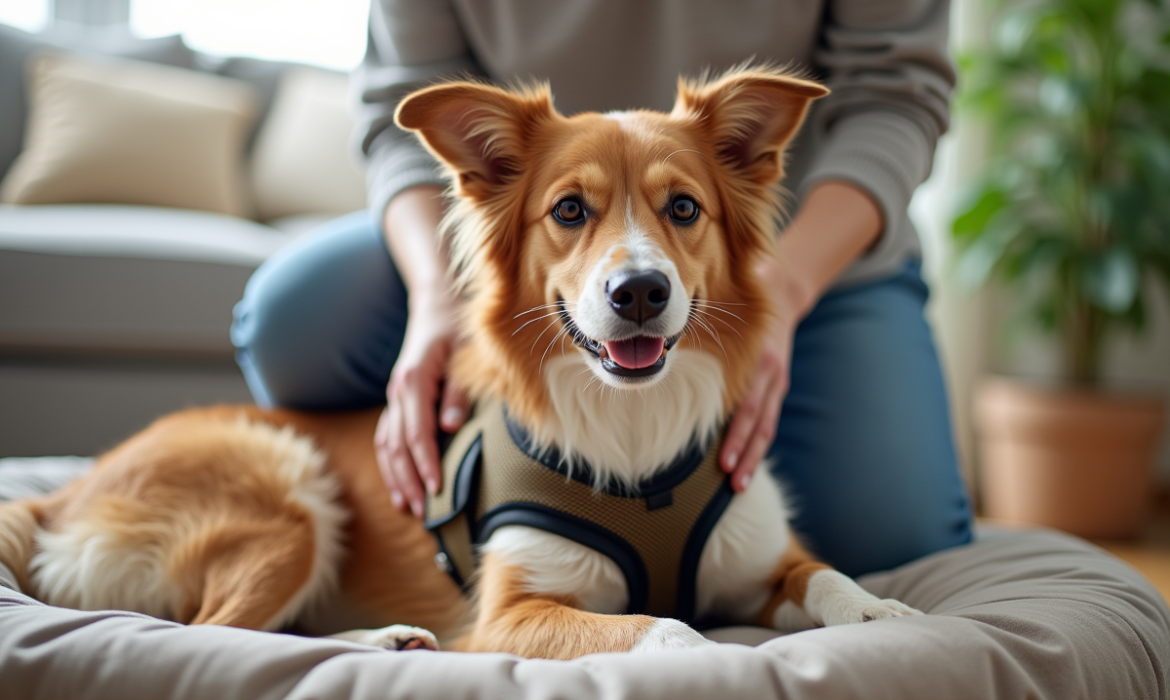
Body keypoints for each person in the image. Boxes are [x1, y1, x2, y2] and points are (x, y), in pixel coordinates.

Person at [231, 0, 972, 577]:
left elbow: (893, 93)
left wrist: (786, 286)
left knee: (892, 534)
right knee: (289, 319)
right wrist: (435, 295)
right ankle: (474, 493)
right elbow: (403, 112)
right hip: (519, 239)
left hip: (797, 248)